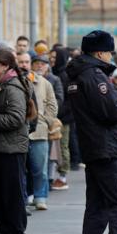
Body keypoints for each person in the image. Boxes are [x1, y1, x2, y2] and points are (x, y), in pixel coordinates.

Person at [66, 30, 117, 234]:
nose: (111, 56)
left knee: (98, 207)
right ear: (99, 54)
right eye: (109, 52)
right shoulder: (94, 76)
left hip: (93, 147)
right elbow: (111, 112)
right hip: (106, 149)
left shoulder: (79, 74)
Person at [0, 49, 32, 234]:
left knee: (11, 199)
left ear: (5, 66)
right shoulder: (1, 84)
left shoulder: (12, 87)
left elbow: (16, 118)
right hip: (1, 148)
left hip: (11, 150)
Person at [19, 52, 58, 211]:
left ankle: (40, 197)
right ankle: (25, 197)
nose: (24, 65)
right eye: (21, 62)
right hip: (19, 132)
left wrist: (45, 121)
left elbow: (52, 105)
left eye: (26, 62)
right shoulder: (13, 82)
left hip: (39, 133)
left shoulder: (44, 83)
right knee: (21, 169)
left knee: (39, 168)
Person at [50, 47, 73, 190]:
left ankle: (62, 177)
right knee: (55, 148)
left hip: (63, 118)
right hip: (56, 116)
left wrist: (57, 114)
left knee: (63, 146)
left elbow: (67, 100)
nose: (52, 59)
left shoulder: (64, 75)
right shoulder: (55, 72)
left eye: (54, 57)